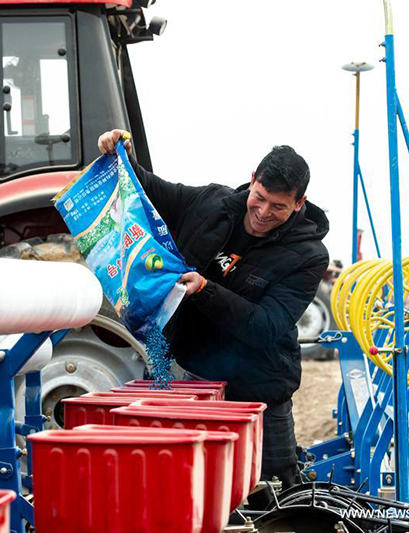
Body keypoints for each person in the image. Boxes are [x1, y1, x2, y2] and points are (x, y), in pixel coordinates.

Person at [98, 129, 330, 500]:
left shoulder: (309, 255)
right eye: (260, 198)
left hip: (256, 394)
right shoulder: (211, 202)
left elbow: (266, 327)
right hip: (188, 377)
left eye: (279, 207)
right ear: (252, 181)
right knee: (184, 491)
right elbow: (151, 190)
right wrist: (121, 154)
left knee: (269, 501)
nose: (264, 212)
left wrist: (206, 290)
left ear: (299, 204)